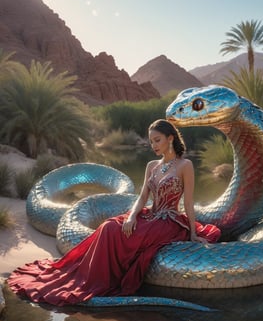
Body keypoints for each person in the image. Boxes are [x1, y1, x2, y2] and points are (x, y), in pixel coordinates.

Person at [7, 119, 221, 306]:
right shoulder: (151, 166)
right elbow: (142, 197)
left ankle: (101, 281)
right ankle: (89, 278)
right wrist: (131, 216)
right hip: (149, 214)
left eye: (157, 140)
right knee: (109, 226)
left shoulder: (185, 165)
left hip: (168, 222)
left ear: (170, 138)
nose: (153, 145)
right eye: (151, 141)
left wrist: (193, 233)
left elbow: (190, 202)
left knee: (125, 235)